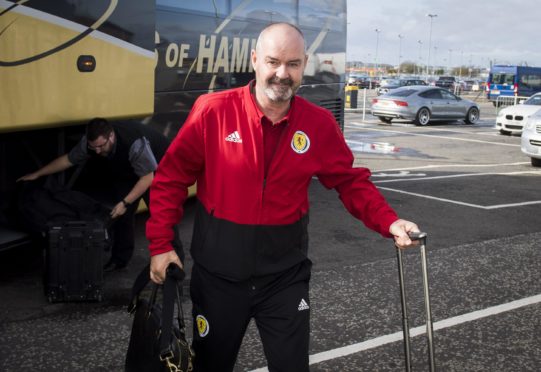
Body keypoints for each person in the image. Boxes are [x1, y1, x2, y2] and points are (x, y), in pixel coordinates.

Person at [146, 23, 420, 371]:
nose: (282, 73)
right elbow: (171, 177)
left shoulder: (318, 123)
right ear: (255, 60)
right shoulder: (212, 110)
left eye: (292, 64)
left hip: (284, 278)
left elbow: (350, 181)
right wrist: (159, 243)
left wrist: (390, 221)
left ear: (304, 64)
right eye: (273, 61)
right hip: (219, 278)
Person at [18, 118, 179, 271]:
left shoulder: (134, 143)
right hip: (130, 170)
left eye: (101, 146)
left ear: (111, 136)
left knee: (161, 215)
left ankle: (174, 261)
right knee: (121, 215)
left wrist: (125, 202)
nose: (97, 151)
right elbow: (68, 160)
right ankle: (119, 261)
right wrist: (38, 174)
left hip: (158, 167)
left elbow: (147, 177)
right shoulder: (92, 143)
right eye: (93, 146)